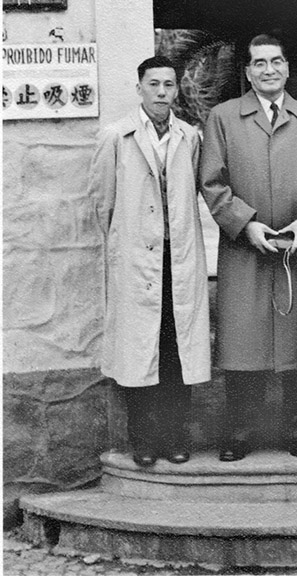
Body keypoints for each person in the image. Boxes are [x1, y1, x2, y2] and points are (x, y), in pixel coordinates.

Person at [200, 34, 297, 461]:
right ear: (247, 72)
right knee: (244, 343)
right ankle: (241, 432)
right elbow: (211, 182)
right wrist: (246, 224)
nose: (268, 70)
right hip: (247, 250)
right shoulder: (223, 117)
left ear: (287, 68)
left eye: (276, 61)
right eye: (259, 63)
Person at [90, 56, 210, 468]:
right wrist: (125, 246)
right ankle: (143, 441)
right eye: (154, 84)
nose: (162, 92)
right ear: (139, 87)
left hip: (178, 260)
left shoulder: (189, 137)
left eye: (169, 85)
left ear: (177, 90)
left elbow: (192, 194)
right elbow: (102, 202)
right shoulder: (116, 137)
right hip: (137, 264)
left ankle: (176, 437)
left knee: (176, 349)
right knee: (140, 351)